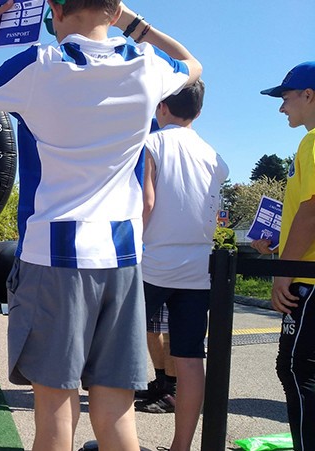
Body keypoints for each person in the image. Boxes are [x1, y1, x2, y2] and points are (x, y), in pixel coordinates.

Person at [0, 1, 201, 449]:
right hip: (121, 255)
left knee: (55, 416)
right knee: (117, 415)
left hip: (53, 255)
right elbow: (193, 65)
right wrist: (137, 26)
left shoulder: (38, 65)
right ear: (114, 10)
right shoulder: (147, 65)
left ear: (54, 9)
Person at [141, 80, 229, 450]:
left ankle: (115, 438)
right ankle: (181, 446)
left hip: (150, 264)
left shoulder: (152, 143)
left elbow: (145, 203)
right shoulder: (215, 157)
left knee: (116, 348)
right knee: (191, 359)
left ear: (161, 106)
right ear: (198, 111)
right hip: (197, 270)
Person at [252, 61, 315, 451]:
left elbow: (312, 210)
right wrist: (279, 244)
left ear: (309, 95)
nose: (281, 108)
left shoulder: (312, 142)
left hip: (308, 279)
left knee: (296, 369)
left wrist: (282, 272)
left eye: (286, 98)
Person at [136, 304, 177, 413]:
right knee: (152, 327)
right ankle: (161, 383)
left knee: (169, 329)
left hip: (171, 288)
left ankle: (172, 391)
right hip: (155, 287)